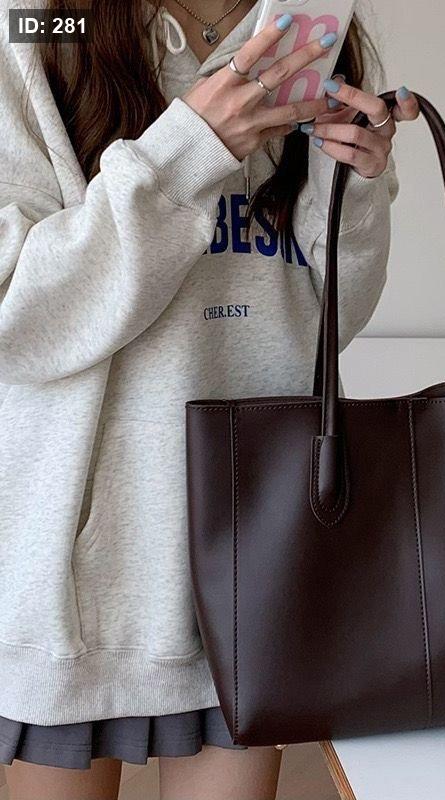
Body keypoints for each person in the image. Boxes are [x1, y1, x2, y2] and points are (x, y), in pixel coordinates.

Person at [0, 0, 418, 796]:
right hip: (78, 577)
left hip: (256, 557)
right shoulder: (35, 28)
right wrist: (191, 148)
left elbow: (328, 317)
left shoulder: (307, 27)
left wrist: (354, 185)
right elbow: (15, 314)